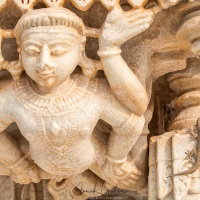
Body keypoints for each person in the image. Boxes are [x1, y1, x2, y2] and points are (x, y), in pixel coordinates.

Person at [0, 6, 153, 187]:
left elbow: (131, 124)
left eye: (58, 52)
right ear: (20, 52)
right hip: (34, 159)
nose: (44, 63)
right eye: (32, 52)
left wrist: (115, 160)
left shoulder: (91, 92)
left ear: (80, 50)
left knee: (137, 184)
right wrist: (17, 163)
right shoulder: (12, 96)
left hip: (93, 158)